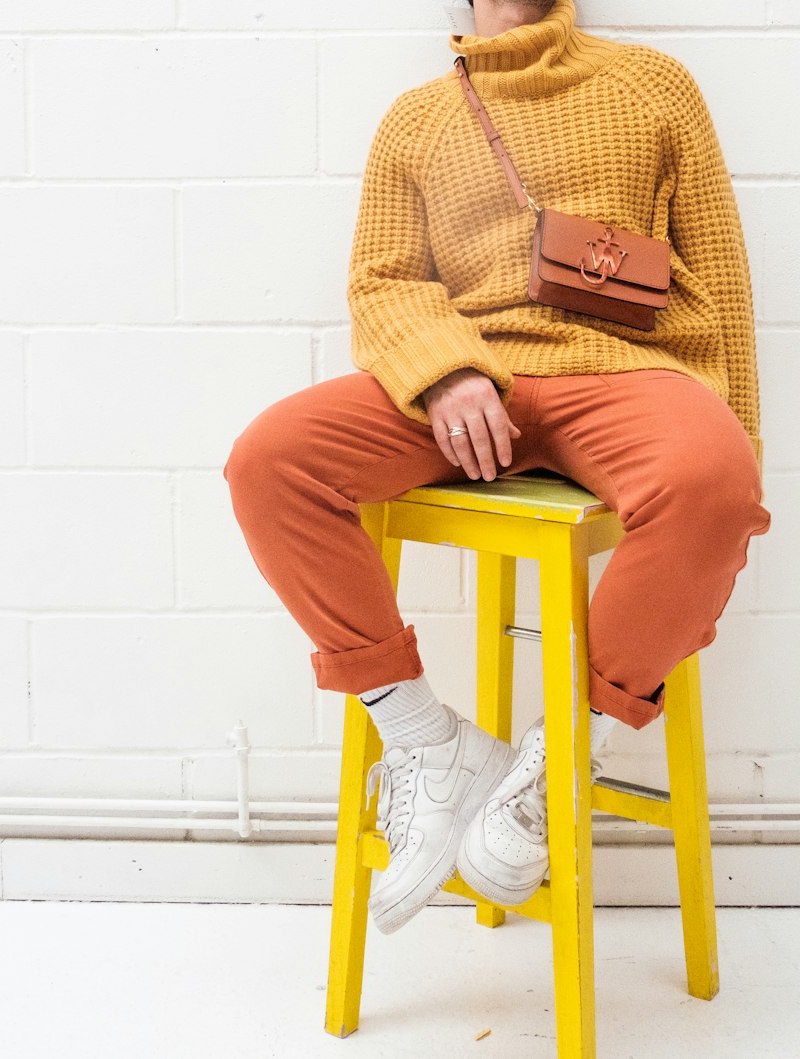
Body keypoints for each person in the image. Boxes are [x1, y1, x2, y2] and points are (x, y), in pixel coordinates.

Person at [223, 0, 771, 933]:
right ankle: (426, 745)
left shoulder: (654, 86)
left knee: (714, 481)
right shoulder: (417, 117)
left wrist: (729, 451)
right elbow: (383, 280)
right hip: (470, 383)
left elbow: (717, 275)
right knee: (271, 461)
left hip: (625, 371)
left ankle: (561, 762)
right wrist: (443, 372)